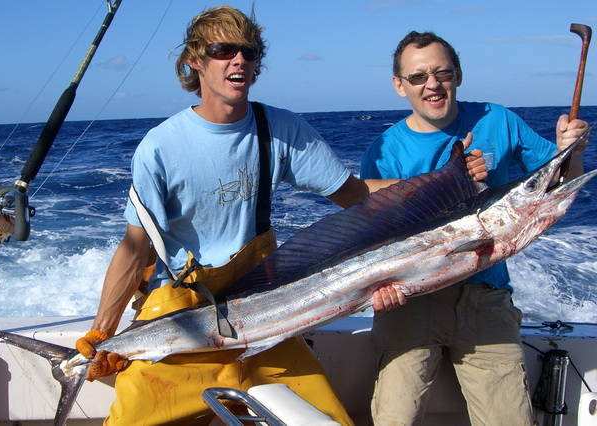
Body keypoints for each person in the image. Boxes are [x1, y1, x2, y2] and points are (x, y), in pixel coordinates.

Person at [75, 9, 487, 425]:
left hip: (266, 309)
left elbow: (357, 195)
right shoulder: (159, 147)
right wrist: (102, 331)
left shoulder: (280, 128)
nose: (238, 60)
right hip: (184, 317)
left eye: (248, 51)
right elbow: (135, 247)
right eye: (223, 50)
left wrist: (442, 181)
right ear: (195, 61)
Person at [361, 30, 590, 426]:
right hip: (411, 302)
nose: (432, 84)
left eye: (442, 72)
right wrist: (377, 289)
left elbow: (555, 182)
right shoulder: (385, 151)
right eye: (417, 77)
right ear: (400, 86)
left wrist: (574, 151)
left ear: (458, 75)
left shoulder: (498, 119)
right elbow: (371, 238)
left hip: (486, 299)